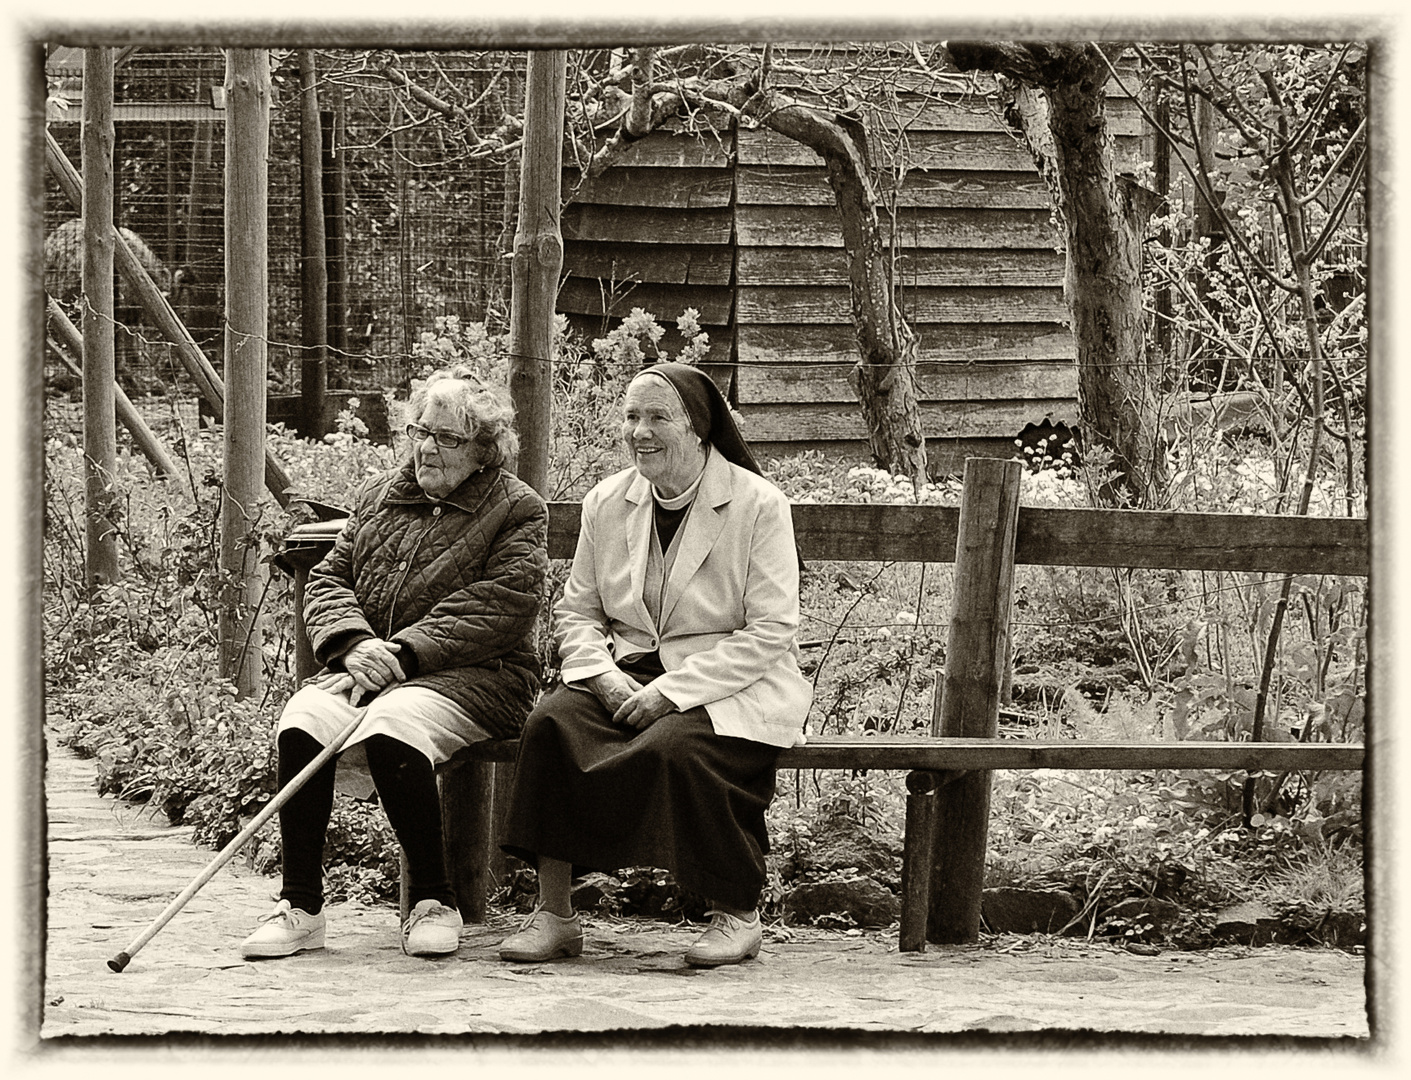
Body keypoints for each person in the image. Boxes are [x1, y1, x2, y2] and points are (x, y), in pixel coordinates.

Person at [497, 361, 811, 968]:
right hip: (624, 671)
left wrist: (673, 693)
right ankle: (555, 915)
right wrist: (601, 676)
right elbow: (578, 612)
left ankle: (737, 914)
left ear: (697, 428)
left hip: (729, 680)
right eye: (631, 416)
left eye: (657, 417)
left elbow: (773, 629)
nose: (640, 431)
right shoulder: (607, 502)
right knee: (550, 726)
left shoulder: (757, 504)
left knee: (677, 749)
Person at [241, 365, 548, 961]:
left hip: (481, 679)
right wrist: (355, 645)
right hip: (369, 669)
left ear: (485, 450)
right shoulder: (382, 494)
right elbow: (330, 577)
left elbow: (503, 603)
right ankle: (301, 906)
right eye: (420, 432)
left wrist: (403, 654)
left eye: (448, 438)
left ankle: (434, 901)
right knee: (302, 715)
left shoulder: (516, 509)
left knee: (395, 724)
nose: (428, 448)